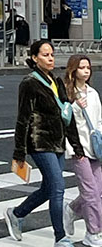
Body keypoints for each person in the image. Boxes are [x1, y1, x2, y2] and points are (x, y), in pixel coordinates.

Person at [5, 38, 86, 246]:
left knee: (49, 187)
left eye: (51, 54)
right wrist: (19, 152)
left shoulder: (56, 81)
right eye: (45, 55)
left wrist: (76, 146)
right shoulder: (29, 83)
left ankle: (17, 213)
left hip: (57, 141)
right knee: (58, 187)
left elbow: (67, 116)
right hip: (38, 141)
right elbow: (23, 119)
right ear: (34, 58)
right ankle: (60, 237)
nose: (50, 58)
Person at [63, 54, 102, 247]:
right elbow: (65, 120)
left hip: (94, 149)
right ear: (73, 70)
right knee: (91, 193)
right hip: (78, 149)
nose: (86, 71)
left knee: (97, 191)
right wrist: (77, 107)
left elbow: (99, 120)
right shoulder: (68, 94)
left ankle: (70, 210)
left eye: (88, 67)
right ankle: (93, 233)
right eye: (82, 67)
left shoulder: (93, 93)